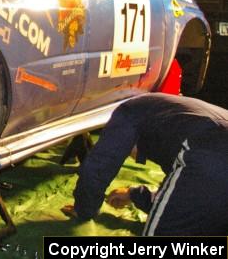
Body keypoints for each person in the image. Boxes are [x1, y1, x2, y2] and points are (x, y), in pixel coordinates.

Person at [63, 93, 228, 235]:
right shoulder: (172, 120)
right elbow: (178, 195)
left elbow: (98, 168)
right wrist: (133, 194)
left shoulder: (128, 112)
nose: (131, 157)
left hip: (208, 151)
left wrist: (84, 210)